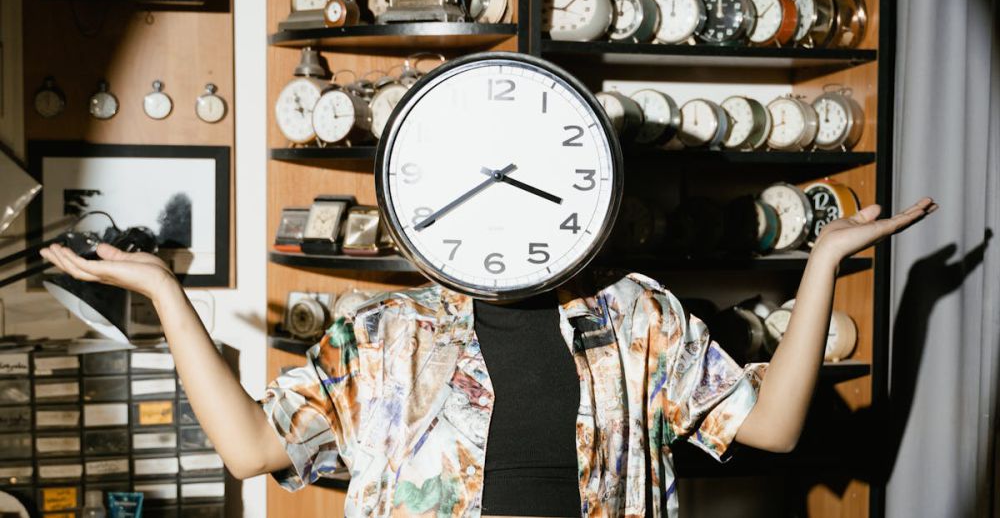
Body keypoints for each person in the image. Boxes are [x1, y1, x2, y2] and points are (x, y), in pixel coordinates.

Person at [39, 197, 938, 517]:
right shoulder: (387, 332)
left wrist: (822, 264)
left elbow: (773, 428)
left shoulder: (637, 313)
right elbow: (250, 450)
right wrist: (165, 293)